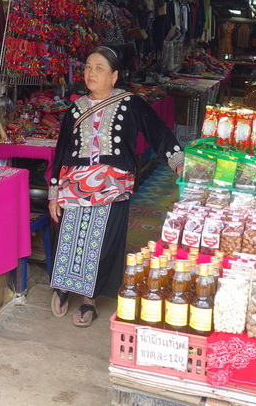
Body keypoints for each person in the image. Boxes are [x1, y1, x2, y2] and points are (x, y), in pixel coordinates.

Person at [48, 46, 183, 327]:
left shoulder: (129, 103)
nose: (91, 73)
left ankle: (89, 301)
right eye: (87, 67)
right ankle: (62, 287)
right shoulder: (75, 109)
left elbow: (158, 131)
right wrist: (53, 192)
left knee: (101, 242)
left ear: (114, 75)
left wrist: (178, 161)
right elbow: (61, 152)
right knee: (70, 239)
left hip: (112, 186)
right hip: (74, 186)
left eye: (99, 68)